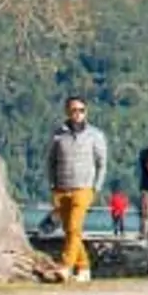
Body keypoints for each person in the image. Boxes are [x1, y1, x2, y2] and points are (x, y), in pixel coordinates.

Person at [45, 96, 107, 282]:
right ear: (67, 112)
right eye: (74, 110)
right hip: (62, 188)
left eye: (81, 110)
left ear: (86, 112)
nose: (77, 114)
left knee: (74, 227)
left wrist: (96, 187)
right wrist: (52, 185)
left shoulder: (95, 135)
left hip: (84, 188)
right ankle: (84, 268)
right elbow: (50, 162)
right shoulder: (58, 135)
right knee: (70, 231)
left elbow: (102, 163)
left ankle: (66, 267)